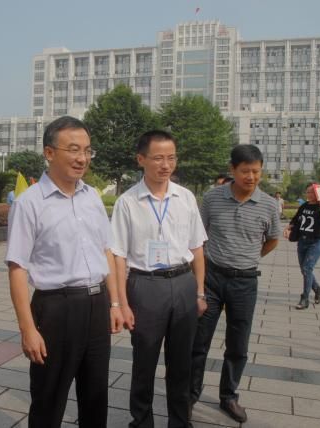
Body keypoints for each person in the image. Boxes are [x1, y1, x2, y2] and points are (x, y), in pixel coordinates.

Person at [6, 116, 123, 428]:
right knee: (49, 399)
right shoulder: (29, 203)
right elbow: (17, 267)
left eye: (87, 150)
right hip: (55, 309)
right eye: (73, 149)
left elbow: (106, 251)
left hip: (97, 305)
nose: (82, 158)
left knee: (96, 396)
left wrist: (114, 303)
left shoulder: (92, 197)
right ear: (49, 152)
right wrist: (27, 329)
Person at [111, 130, 208, 427]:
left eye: (171, 158)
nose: (166, 165)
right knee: (145, 362)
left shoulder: (185, 198)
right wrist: (122, 303)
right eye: (158, 158)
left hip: (183, 283)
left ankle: (180, 421)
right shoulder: (127, 202)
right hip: (145, 286)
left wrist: (200, 292)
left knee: (181, 364)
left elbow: (197, 248)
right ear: (141, 159)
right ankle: (142, 421)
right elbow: (118, 256)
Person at [190, 145, 281, 423]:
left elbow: (273, 239)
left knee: (238, 344)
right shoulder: (213, 198)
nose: (251, 177)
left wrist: (250, 257)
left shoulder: (268, 204)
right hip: (212, 279)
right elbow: (198, 236)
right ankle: (190, 395)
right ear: (232, 170)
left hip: (245, 282)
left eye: (256, 171)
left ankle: (228, 396)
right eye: (245, 171)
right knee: (199, 341)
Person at [285, 184, 320, 309]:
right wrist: (288, 228)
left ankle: (305, 298)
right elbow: (296, 219)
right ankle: (317, 288)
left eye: (311, 192)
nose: (308, 194)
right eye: (307, 192)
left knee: (307, 268)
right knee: (305, 270)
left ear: (317, 193)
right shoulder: (304, 206)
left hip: (315, 242)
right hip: (302, 241)